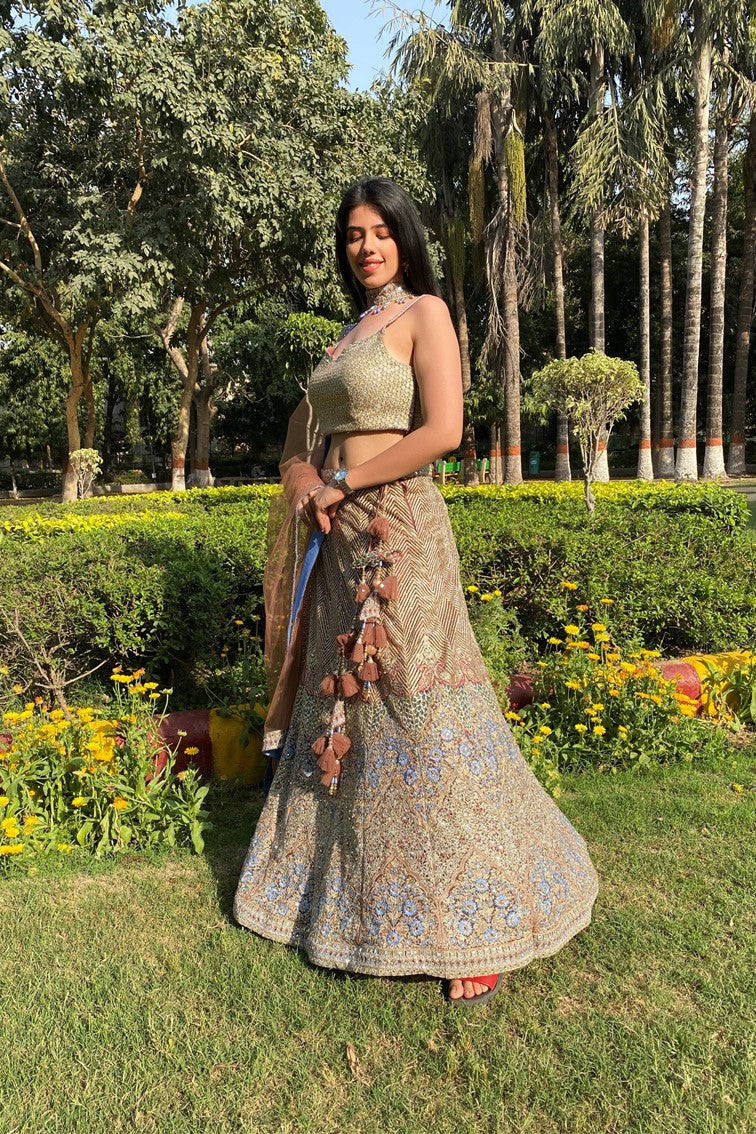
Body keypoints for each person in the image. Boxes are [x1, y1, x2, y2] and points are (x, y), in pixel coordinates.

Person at [233, 177, 599, 1006]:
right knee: (351, 706)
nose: (366, 247)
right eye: (353, 235)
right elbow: (304, 437)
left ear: (404, 237)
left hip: (400, 530)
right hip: (338, 540)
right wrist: (308, 481)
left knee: (422, 704)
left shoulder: (424, 313)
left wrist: (345, 482)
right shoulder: (347, 336)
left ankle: (476, 915)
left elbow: (443, 431)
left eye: (380, 232)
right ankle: (344, 893)